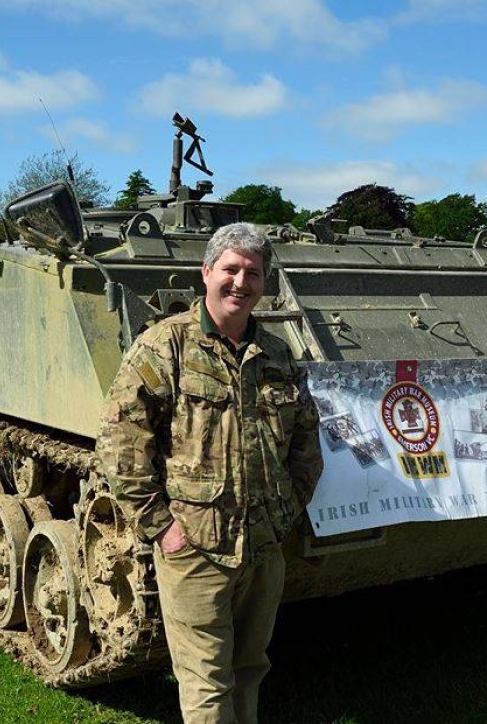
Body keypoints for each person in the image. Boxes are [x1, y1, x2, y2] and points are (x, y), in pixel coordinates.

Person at [95, 222, 322, 724]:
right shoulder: (164, 347)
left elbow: (307, 442)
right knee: (206, 682)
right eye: (231, 269)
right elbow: (121, 444)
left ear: (265, 284)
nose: (241, 283)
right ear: (207, 273)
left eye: (254, 274)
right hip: (195, 549)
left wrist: (286, 509)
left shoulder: (279, 355)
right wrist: (163, 529)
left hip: (262, 547)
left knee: (248, 668)